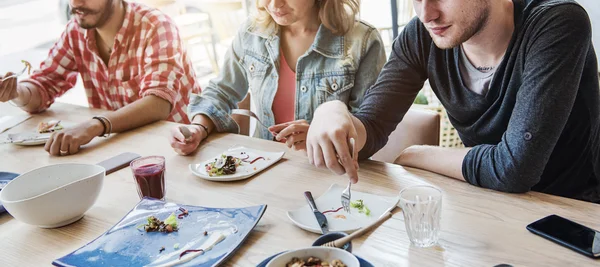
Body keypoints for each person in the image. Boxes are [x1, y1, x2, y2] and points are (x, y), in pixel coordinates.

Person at [306, 0, 600, 203]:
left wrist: (417, 154)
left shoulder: (557, 23)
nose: (426, 14)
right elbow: (371, 128)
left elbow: (514, 169)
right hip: (484, 200)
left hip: (571, 215)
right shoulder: (421, 36)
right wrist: (332, 112)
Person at [169, 0, 386, 155]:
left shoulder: (362, 41)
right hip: (262, 168)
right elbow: (221, 91)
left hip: (329, 176)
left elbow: (369, 126)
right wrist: (198, 127)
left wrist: (320, 136)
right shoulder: (251, 33)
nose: (273, 4)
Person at [0, 0, 200, 156]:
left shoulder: (156, 26)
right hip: (124, 147)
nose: (76, 3)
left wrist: (94, 125)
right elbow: (43, 86)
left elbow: (159, 103)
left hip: (181, 148)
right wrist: (16, 92)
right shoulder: (75, 31)